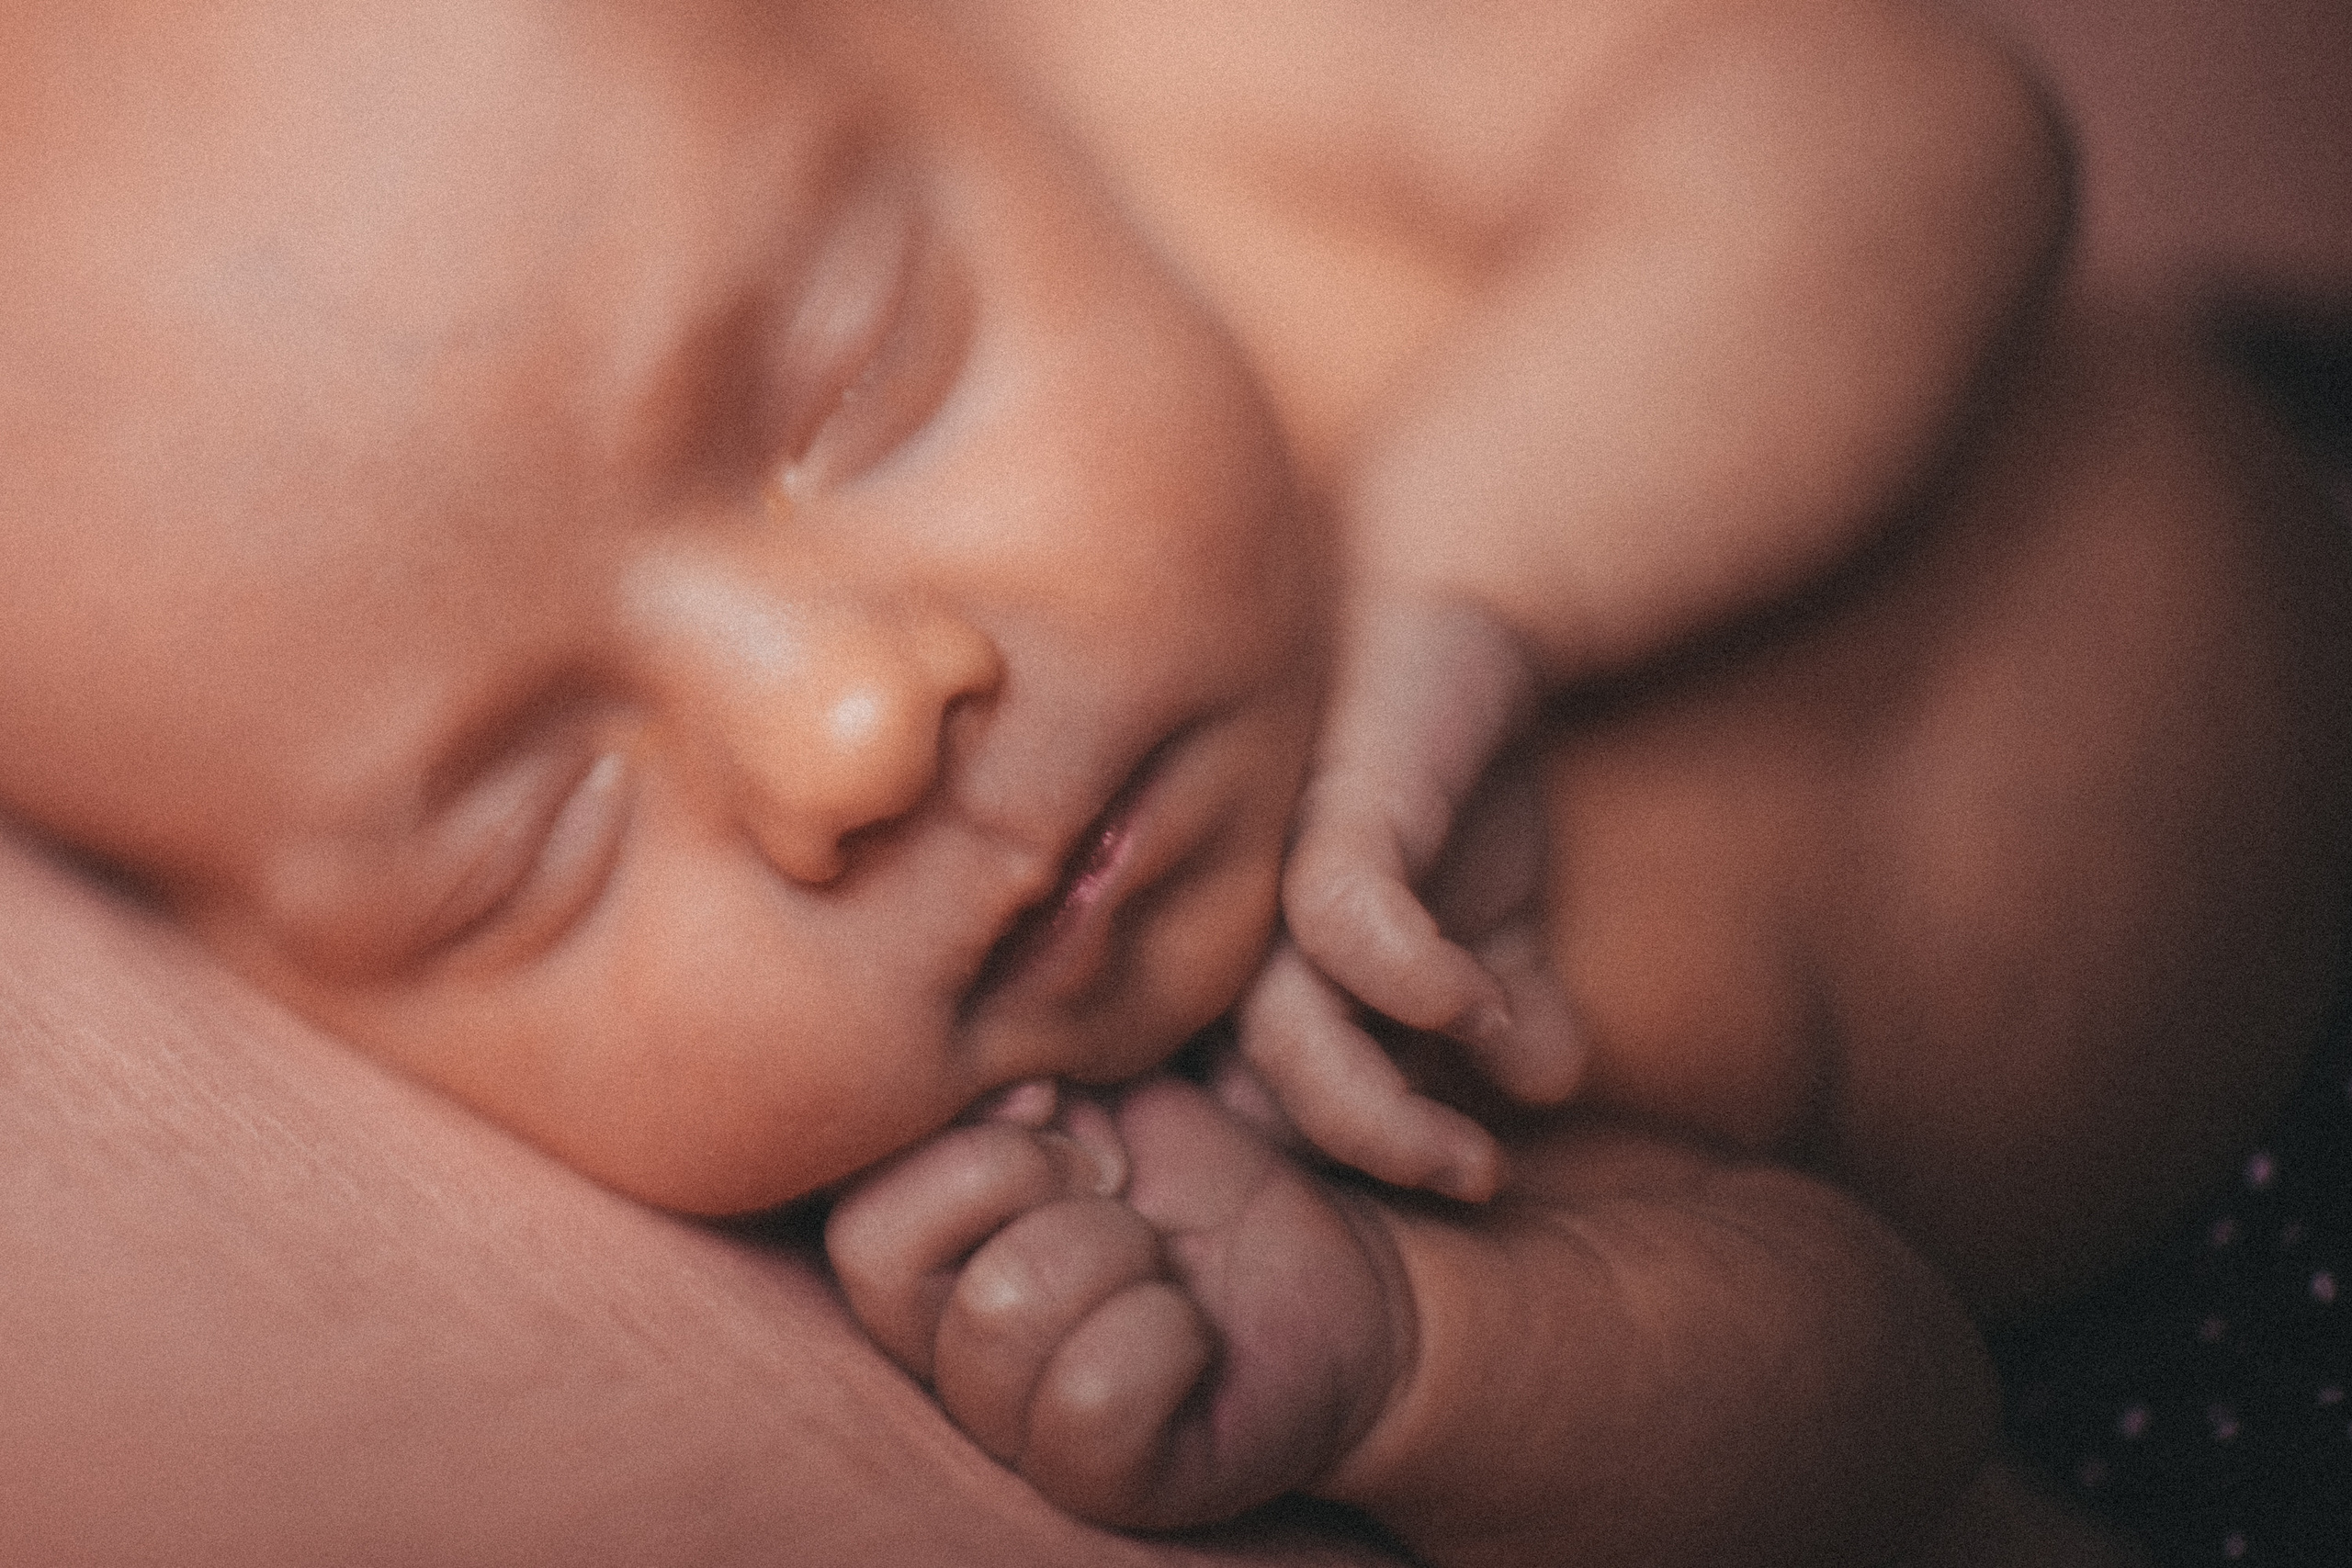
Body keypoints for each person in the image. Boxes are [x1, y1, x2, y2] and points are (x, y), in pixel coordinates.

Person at [0, 1, 2345, 1564]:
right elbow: (1887, 1408)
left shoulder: (1185, 72)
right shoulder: (1124, 1152)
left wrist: (1463, 573)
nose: (844, 734)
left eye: (850, 388)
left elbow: (1907, 125)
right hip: (2218, 1323)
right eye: (535, 845)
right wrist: (1407, 1360)